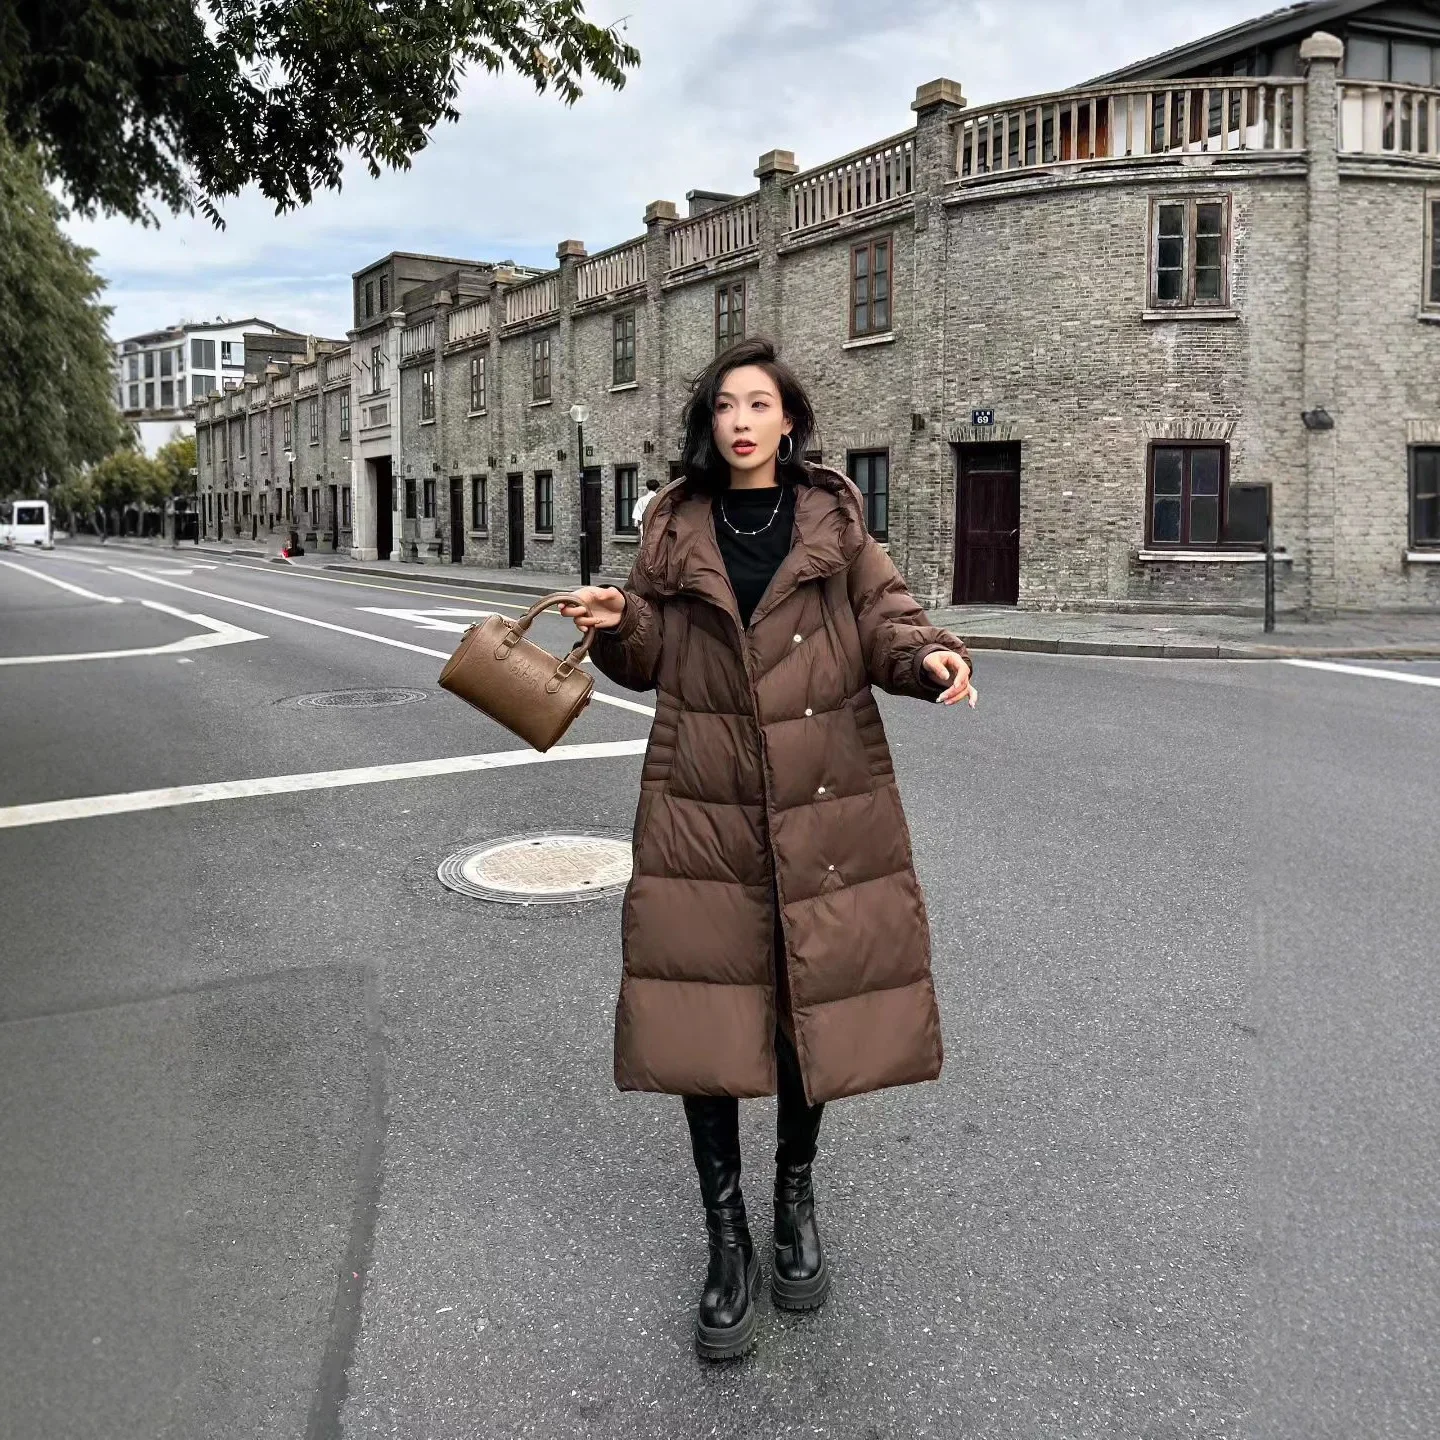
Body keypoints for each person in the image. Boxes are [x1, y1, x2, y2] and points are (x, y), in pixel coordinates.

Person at [560, 336, 976, 1362]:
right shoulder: (673, 524)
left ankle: (794, 1199)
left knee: (802, 1012)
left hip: (820, 797)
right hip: (703, 803)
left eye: (759, 404)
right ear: (711, 425)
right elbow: (649, 655)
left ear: (789, 420)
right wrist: (619, 619)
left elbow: (886, 618)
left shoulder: (834, 520)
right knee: (701, 1014)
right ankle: (726, 1239)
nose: (740, 420)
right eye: (724, 406)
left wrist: (929, 658)